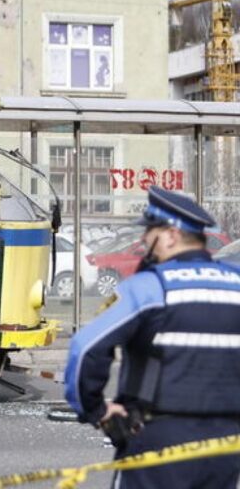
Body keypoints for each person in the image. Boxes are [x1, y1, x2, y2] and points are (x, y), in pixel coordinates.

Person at [64, 185, 240, 488]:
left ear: (171, 235)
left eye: (150, 232)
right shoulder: (235, 285)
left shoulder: (151, 287)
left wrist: (96, 409)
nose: (144, 240)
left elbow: (85, 347)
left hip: (157, 440)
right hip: (225, 445)